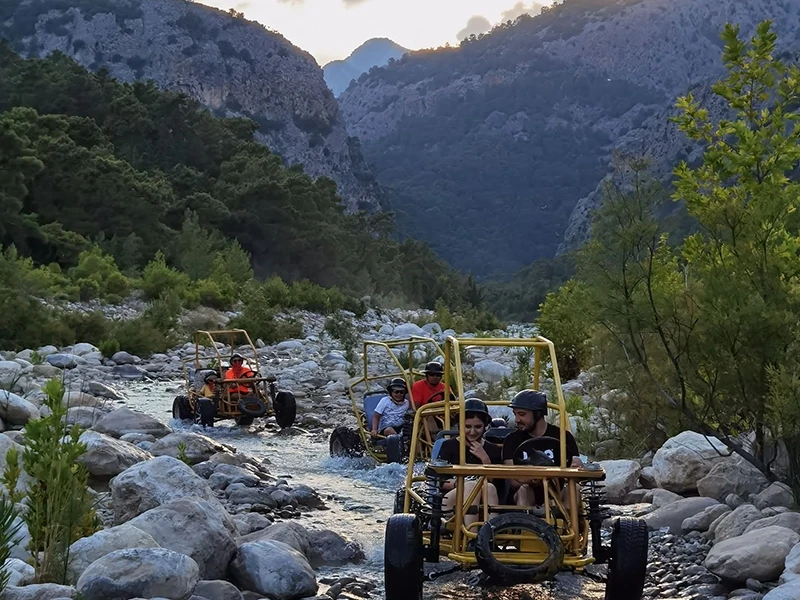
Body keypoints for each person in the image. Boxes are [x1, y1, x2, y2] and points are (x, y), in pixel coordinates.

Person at [502, 389, 583, 508]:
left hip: (557, 491)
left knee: (573, 488)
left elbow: (576, 467)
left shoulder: (562, 436)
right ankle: (527, 525)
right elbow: (514, 480)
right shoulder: (512, 440)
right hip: (527, 493)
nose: (517, 420)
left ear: (538, 414)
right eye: (515, 414)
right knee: (524, 489)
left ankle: (568, 525)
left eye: (522, 414)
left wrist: (576, 466)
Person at [438, 399, 501, 526]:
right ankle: (471, 537)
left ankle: (490, 534)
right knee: (471, 486)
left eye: (478, 427)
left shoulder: (493, 449)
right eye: (468, 427)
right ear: (460, 425)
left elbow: (498, 483)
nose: (472, 432)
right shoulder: (448, 446)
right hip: (452, 500)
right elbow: (440, 481)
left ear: (485, 426)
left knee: (489, 486)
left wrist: (485, 459)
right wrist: (461, 484)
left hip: (486, 496)